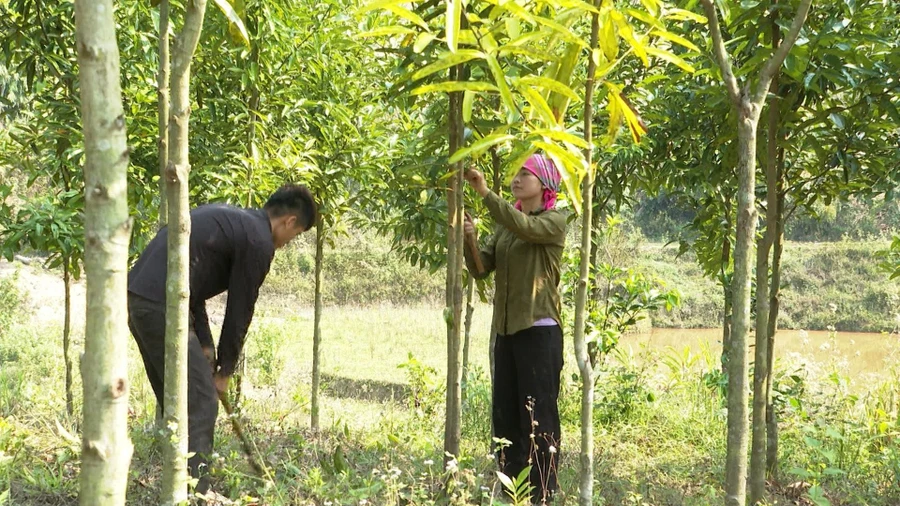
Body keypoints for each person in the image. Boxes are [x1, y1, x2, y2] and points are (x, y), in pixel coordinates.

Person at [127, 183, 317, 496]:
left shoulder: (233, 222)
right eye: (294, 236)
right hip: (160, 305)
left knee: (180, 402)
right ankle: (195, 495)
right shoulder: (259, 241)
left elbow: (190, 282)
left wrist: (205, 345)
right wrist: (224, 372)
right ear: (290, 222)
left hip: (141, 298)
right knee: (202, 403)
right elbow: (240, 309)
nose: (287, 243)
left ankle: (177, 488)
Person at [463, 154, 567, 503]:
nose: (518, 179)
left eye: (527, 174)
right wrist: (470, 238)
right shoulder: (507, 224)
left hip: (538, 333)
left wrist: (485, 194)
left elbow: (527, 228)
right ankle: (512, 492)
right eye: (517, 173)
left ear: (544, 185)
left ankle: (541, 494)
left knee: (537, 418)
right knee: (506, 415)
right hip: (506, 332)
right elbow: (482, 268)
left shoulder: (554, 220)